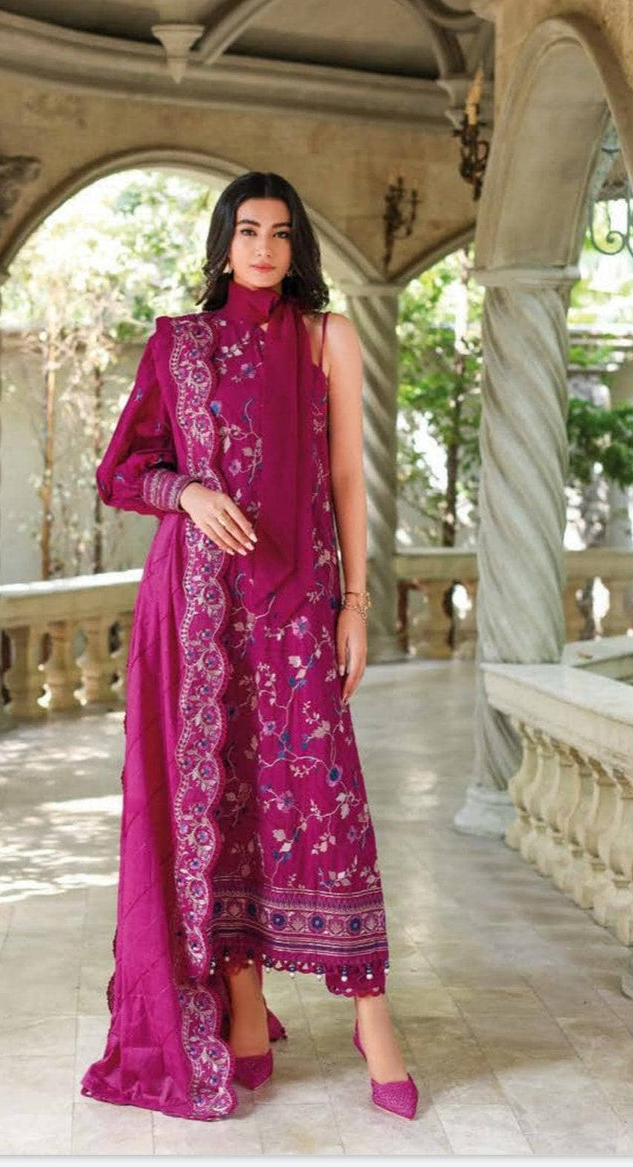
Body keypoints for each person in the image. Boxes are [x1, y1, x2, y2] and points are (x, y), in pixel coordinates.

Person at [80, 171, 417, 1122]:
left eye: (280, 233)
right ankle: (242, 1011)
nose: (264, 248)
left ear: (296, 245)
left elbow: (346, 477)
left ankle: (373, 1017)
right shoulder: (179, 345)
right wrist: (186, 491)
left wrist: (355, 603)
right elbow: (123, 469)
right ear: (224, 243)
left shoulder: (326, 336)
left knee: (327, 800)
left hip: (300, 599)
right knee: (219, 800)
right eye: (247, 231)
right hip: (197, 608)